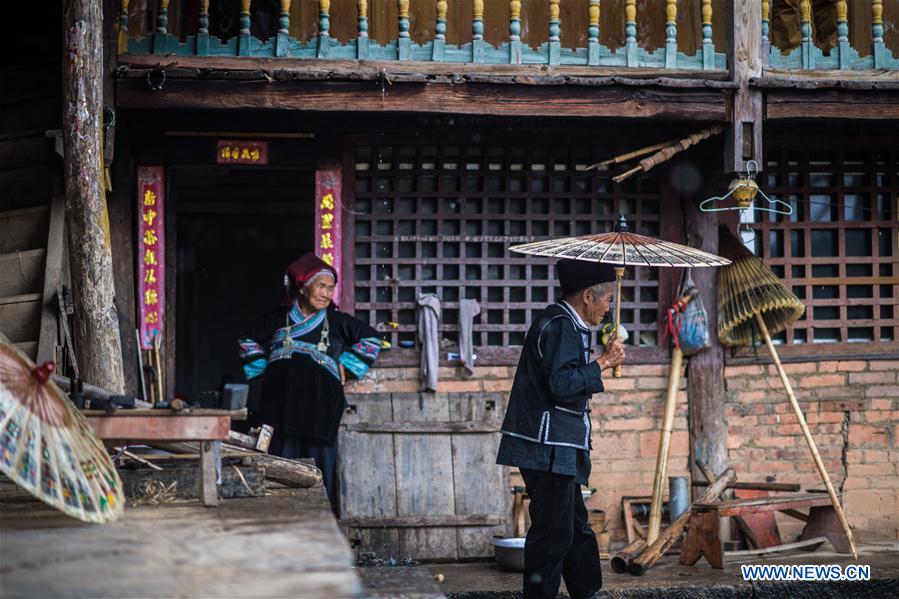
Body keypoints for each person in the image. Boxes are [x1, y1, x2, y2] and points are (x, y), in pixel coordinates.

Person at [496, 259, 626, 599]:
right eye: (607, 298)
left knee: (574, 527)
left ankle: (588, 591)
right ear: (587, 296)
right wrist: (603, 362)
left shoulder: (568, 323)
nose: (609, 306)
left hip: (559, 443)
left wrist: (601, 353)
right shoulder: (558, 325)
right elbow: (562, 384)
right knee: (553, 532)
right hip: (545, 444)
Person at [238, 253, 385, 511]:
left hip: (321, 411)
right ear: (303, 288)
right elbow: (246, 340)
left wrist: (346, 366)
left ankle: (321, 518)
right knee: (279, 461)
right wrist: (265, 372)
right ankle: (277, 515)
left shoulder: (337, 321)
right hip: (279, 408)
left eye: (331, 288)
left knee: (319, 467)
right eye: (321, 286)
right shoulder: (276, 317)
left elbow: (373, 340)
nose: (327, 293)